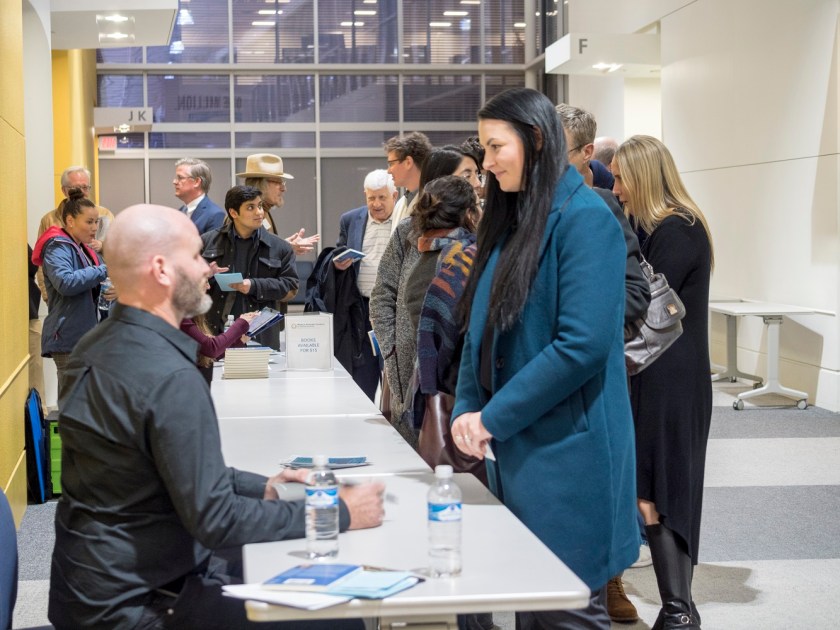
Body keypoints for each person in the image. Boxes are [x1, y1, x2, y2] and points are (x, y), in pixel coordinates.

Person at [48, 203, 385, 630]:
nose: (207, 269)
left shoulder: (94, 347)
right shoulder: (169, 375)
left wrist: (266, 486)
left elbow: (166, 467)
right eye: (195, 257)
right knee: (338, 615)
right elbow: (218, 520)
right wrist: (340, 513)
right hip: (141, 606)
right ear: (162, 270)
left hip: (87, 592)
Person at [451, 87, 638, 629]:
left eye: (495, 147)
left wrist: (492, 417)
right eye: (484, 150)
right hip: (519, 448)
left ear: (535, 140)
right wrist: (467, 406)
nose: (486, 163)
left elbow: (582, 346)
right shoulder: (513, 219)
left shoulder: (586, 219)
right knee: (534, 607)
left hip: (569, 453)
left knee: (566, 611)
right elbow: (480, 328)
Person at [612, 135, 714, 630]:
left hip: (671, 378)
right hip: (657, 373)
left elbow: (646, 310)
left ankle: (678, 610)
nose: (616, 189)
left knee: (663, 490)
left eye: (621, 179)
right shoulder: (660, 227)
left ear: (643, 177)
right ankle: (680, 608)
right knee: (654, 487)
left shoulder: (678, 231)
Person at [556, 102, 651, 624]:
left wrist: (589, 329)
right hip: (544, 379)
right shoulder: (523, 208)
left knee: (603, 484)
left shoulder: (603, 207)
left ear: (586, 153)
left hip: (592, 374)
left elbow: (636, 293)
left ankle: (611, 576)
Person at [370, 147, 478, 446]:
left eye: (476, 174)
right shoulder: (408, 233)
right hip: (407, 361)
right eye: (466, 175)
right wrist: (392, 350)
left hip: (458, 370)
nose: (476, 182)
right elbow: (382, 295)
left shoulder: (477, 241)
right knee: (417, 446)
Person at [31, 189, 107, 403]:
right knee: (74, 406)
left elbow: (96, 278)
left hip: (84, 335)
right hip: (69, 337)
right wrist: (104, 270)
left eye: (96, 222)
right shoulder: (57, 246)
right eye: (89, 222)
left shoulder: (82, 248)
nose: (94, 228)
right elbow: (65, 282)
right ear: (70, 221)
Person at [201, 186, 298, 350]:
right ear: (234, 213)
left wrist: (253, 285)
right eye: (250, 207)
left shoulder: (280, 247)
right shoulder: (207, 242)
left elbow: (290, 287)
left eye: (259, 205)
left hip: (261, 336)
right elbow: (186, 284)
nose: (259, 212)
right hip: (216, 335)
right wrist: (202, 278)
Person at [332, 169, 399, 400]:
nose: (376, 204)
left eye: (382, 197)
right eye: (371, 198)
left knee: (393, 376)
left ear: (394, 196)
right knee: (362, 378)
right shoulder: (350, 219)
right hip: (360, 310)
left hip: (393, 310)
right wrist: (338, 265)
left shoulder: (405, 220)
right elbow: (340, 252)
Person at [36, 166, 114, 303]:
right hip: (66, 298)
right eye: (76, 188)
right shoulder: (50, 220)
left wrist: (102, 246)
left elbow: (117, 252)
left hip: (101, 294)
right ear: (64, 190)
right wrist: (47, 297)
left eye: (85, 187)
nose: (81, 193)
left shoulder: (104, 215)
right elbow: (43, 265)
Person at [238, 153, 321, 255]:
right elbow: (246, 254)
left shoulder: (262, 212)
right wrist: (286, 247)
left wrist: (285, 246)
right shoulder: (243, 214)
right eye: (278, 182)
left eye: (283, 183)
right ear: (260, 184)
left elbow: (262, 248)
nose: (283, 188)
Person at [180, 305, 260, 386]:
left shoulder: (191, 315)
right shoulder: (179, 317)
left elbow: (208, 357)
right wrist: (241, 323)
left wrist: (240, 340)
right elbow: (211, 349)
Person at [383, 131, 433, 231]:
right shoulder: (400, 204)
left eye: (391, 164)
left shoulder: (434, 203)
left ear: (408, 162)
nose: (388, 171)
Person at [174, 157, 227, 234]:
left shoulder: (215, 215)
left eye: (180, 178)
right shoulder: (180, 211)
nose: (174, 182)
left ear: (197, 182)